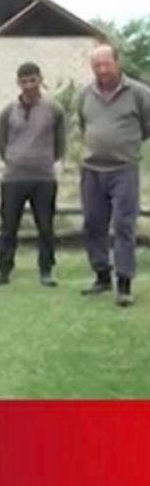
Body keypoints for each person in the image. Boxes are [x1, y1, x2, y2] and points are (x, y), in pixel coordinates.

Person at [78, 44, 150, 307]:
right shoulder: (86, 94)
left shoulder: (139, 93)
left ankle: (124, 283)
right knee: (93, 223)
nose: (102, 70)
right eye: (97, 66)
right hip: (92, 169)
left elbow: (147, 126)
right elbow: (84, 125)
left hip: (123, 169)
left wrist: (125, 145)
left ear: (118, 63)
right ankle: (101, 275)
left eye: (106, 64)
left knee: (123, 225)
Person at [0, 62, 66, 288]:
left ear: (40, 80)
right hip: (13, 178)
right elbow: (2, 143)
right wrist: (14, 160)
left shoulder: (54, 109)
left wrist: (44, 161)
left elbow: (60, 145)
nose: (29, 85)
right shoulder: (8, 111)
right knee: (8, 227)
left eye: (33, 80)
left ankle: (46, 271)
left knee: (46, 227)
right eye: (24, 81)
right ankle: (3, 271)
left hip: (44, 178)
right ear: (18, 83)